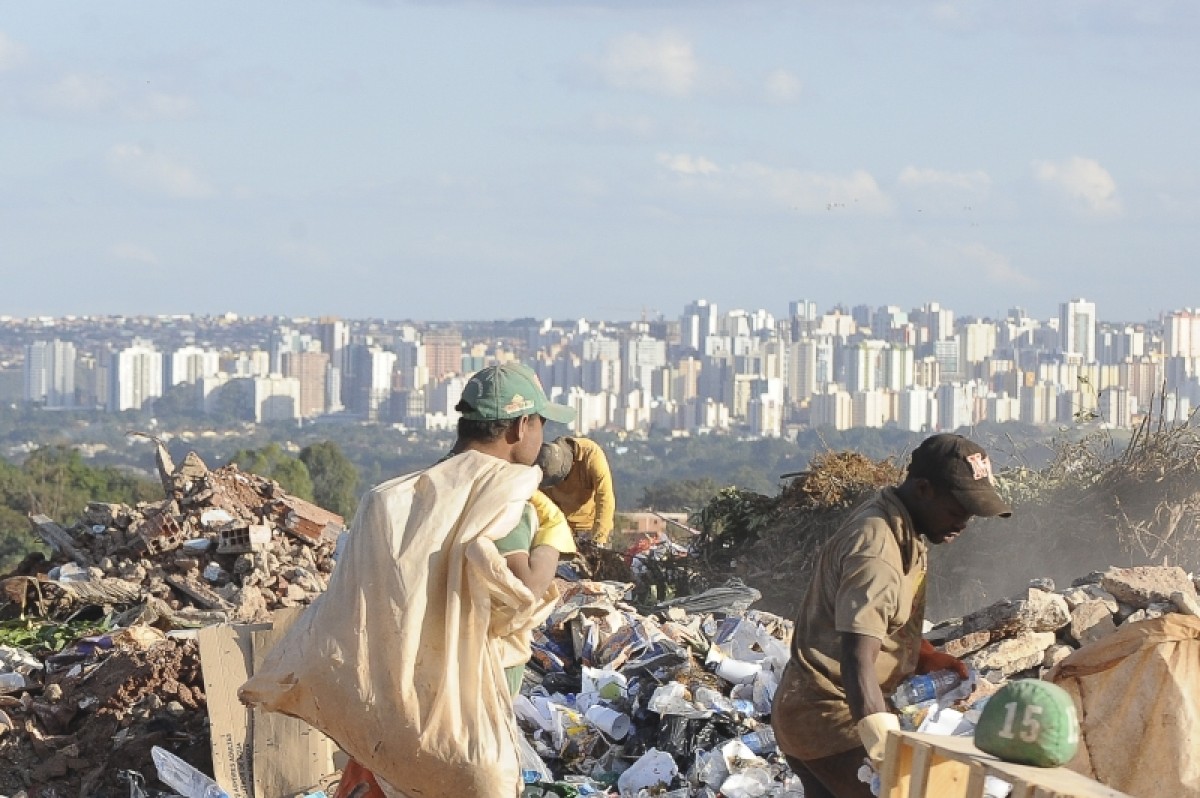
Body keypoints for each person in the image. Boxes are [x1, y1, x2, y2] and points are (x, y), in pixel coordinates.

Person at [243, 363, 577, 798]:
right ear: (518, 427)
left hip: (392, 708)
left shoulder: (400, 497)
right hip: (462, 718)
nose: (543, 436)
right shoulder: (502, 497)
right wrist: (551, 535)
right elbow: (526, 590)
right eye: (541, 423)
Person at [771, 433, 1012, 798]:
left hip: (805, 712)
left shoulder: (902, 524)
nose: (964, 522)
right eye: (958, 508)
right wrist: (884, 752)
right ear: (923, 489)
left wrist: (924, 655)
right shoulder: (878, 550)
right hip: (832, 721)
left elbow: (876, 623)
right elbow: (856, 660)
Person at [536, 435, 616, 546]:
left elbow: (605, 496)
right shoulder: (546, 462)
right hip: (562, 529)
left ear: (571, 462)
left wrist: (599, 538)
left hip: (591, 528)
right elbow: (540, 503)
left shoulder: (591, 455)